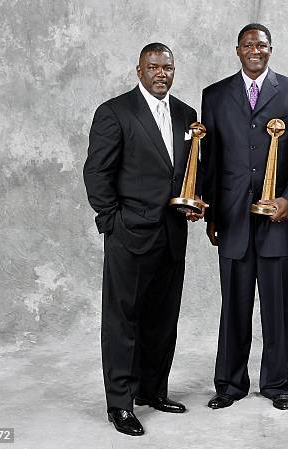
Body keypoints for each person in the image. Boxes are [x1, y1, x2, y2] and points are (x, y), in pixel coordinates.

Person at [83, 42, 205, 436]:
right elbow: (96, 173)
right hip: (129, 235)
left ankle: (153, 391)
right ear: (139, 71)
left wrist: (194, 200)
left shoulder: (187, 115)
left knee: (162, 320)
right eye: (153, 67)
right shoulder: (115, 112)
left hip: (172, 234)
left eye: (167, 67)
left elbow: (186, 173)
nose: (161, 74)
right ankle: (120, 404)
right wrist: (112, 221)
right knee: (123, 322)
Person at [200, 23, 288, 411]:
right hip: (232, 219)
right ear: (237, 50)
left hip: (277, 222)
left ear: (271, 50)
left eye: (262, 45)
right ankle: (229, 385)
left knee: (277, 307)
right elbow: (211, 159)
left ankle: (277, 385)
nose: (255, 50)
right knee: (233, 306)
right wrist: (212, 214)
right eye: (248, 45)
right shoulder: (214, 96)